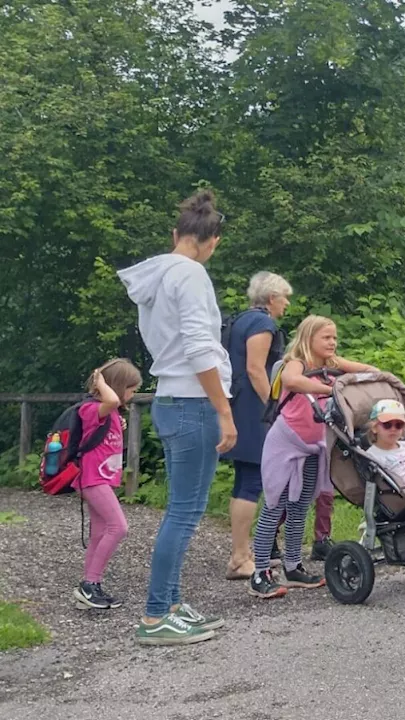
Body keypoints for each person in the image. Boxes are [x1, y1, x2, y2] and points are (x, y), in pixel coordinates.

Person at [119, 189, 234, 645]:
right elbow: (198, 346)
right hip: (194, 402)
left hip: (171, 398)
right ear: (213, 241)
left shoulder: (158, 275)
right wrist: (225, 411)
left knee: (181, 511)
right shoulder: (190, 275)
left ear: (176, 233)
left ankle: (169, 603)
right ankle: (154, 616)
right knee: (185, 514)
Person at [249, 315, 376, 600]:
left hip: (314, 446)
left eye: (334, 337)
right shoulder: (298, 362)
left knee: (300, 505)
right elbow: (292, 381)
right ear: (309, 339)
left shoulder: (332, 365)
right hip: (286, 444)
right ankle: (259, 573)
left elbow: (368, 370)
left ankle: (293, 566)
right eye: (326, 338)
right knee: (273, 506)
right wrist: (331, 389)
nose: (332, 342)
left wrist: (368, 378)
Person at [223, 271, 292, 580]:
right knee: (252, 480)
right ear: (272, 298)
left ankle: (243, 551)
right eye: (285, 297)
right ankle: (239, 557)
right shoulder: (263, 324)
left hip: (238, 403)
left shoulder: (240, 320)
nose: (287, 303)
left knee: (244, 480)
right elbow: (255, 368)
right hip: (253, 408)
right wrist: (273, 406)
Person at [72, 359, 142, 611]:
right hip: (92, 479)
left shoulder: (110, 412)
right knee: (119, 527)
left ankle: (90, 585)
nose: (132, 396)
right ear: (117, 386)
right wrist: (100, 381)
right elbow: (111, 401)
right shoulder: (92, 409)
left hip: (100, 479)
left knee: (100, 533)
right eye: (130, 390)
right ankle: (90, 584)